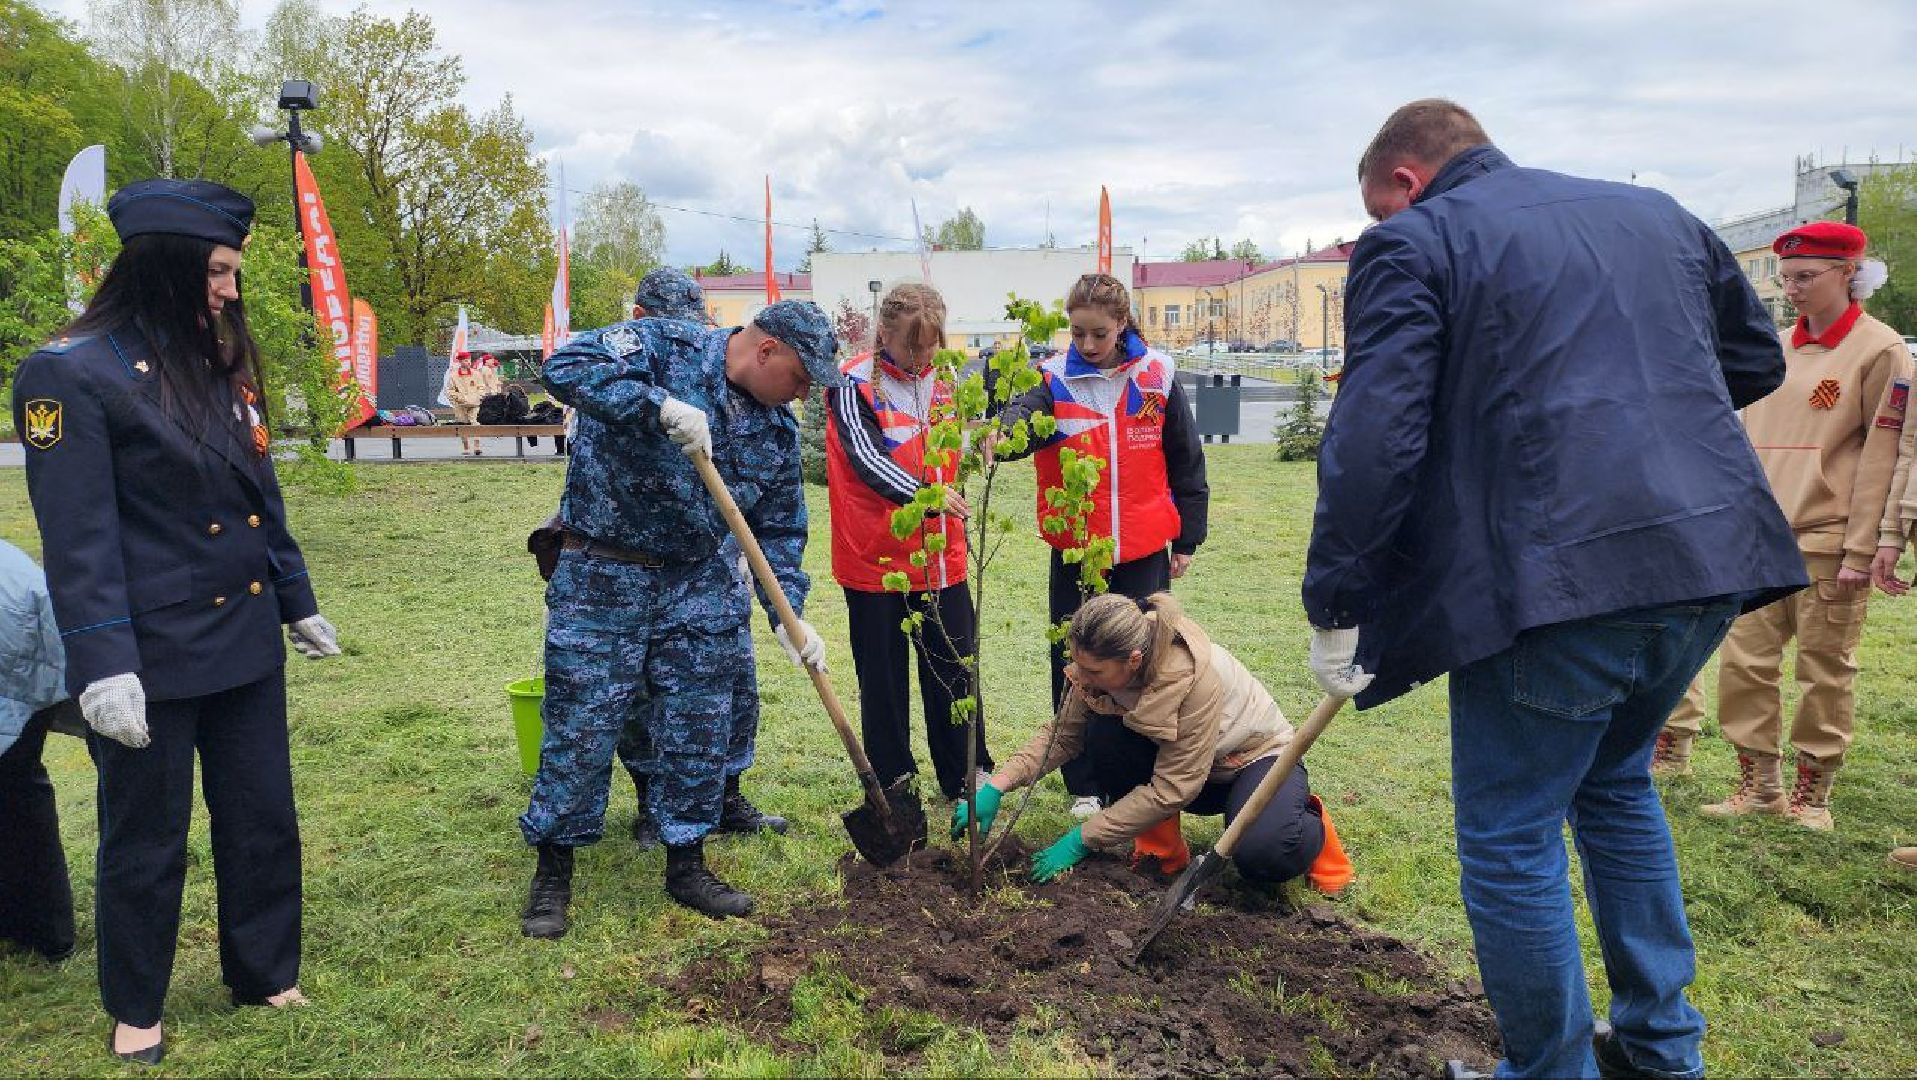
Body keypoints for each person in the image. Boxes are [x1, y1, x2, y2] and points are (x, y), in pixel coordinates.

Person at [1303, 100, 1806, 1079]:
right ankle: (1661, 1050)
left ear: (1404, 181)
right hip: (1706, 565)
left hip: (1562, 589)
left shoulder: (1415, 244)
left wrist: (1337, 603)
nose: (1377, 227)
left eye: (1376, 207)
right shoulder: (1655, 215)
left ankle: (1551, 1072)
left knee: (1508, 838)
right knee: (1615, 786)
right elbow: (1753, 359)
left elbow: (1372, 444)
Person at [12, 178, 344, 1065]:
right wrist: (101, 663)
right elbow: (77, 538)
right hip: (147, 651)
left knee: (261, 816)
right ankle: (136, 1004)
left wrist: (295, 596)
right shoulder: (69, 372)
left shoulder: (217, 359)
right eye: (219, 272)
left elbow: (257, 497)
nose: (230, 290)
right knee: (147, 836)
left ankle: (263, 970)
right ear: (165, 266)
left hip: (240, 635)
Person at [519, 299, 839, 933]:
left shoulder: (774, 432)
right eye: (801, 377)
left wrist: (787, 617)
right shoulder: (663, 344)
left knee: (699, 723)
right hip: (604, 570)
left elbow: (778, 529)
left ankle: (687, 863)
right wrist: (655, 405)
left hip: (698, 580)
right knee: (581, 725)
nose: (803, 395)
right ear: (767, 348)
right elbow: (565, 366)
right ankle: (553, 872)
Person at [1672, 223, 1910, 828]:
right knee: (1745, 663)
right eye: (1786, 278)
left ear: (1848, 274)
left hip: (1830, 540)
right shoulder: (1774, 346)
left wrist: (1866, 547)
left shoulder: (1880, 350)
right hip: (1759, 539)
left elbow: (1887, 454)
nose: (1793, 289)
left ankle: (1813, 793)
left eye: (1806, 277)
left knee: (1825, 670)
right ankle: (1758, 783)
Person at [955, 591, 1352, 892]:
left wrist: (1083, 837)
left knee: (1261, 856)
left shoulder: (1194, 679)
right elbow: (1064, 735)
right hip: (1191, 767)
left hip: (1252, 761)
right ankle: (1161, 851)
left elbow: (1176, 787)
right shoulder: (1101, 669)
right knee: (1105, 737)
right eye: (1078, 663)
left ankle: (1306, 822)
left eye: (1092, 670)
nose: (1082, 676)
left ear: (1131, 659)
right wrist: (998, 785)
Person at [994, 272, 1208, 818]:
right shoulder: (1055, 380)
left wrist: (1187, 537)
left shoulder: (1157, 378)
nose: (1087, 345)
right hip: (1075, 553)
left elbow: (1185, 459)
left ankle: (1135, 773)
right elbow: (1024, 421)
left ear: (1121, 326)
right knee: (1077, 664)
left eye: (1098, 334)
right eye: (1078, 333)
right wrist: (1002, 431)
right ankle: (1084, 781)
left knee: (1144, 665)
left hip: (1140, 551)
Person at [608, 267, 783, 850]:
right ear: (640, 321)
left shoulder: (722, 386)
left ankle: (726, 791)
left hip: (716, 565)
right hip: (634, 565)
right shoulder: (624, 380)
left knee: (731, 680)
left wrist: (786, 607)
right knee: (641, 692)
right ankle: (650, 802)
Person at [825, 282, 992, 802]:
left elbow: (963, 437)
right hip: (874, 559)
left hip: (942, 558)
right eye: (910, 348)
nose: (922, 358)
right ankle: (894, 778)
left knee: (954, 669)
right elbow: (868, 461)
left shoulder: (948, 379)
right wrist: (927, 496)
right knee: (883, 679)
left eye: (931, 346)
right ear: (883, 334)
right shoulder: (851, 383)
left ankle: (967, 772)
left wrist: (984, 430)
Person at [0, 540, 77, 966]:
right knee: (20, 789)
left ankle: (44, 927)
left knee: (17, 788)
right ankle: (45, 927)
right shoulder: (15, 568)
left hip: (19, 654)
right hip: (28, 649)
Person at [445, 350, 488, 455]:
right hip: (460, 404)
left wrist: (479, 396)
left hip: (474, 404)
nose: (468, 362)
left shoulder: (476, 374)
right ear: (460, 362)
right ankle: (466, 446)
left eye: (469, 360)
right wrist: (459, 397)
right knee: (463, 425)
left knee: (475, 422)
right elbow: (450, 391)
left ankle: (477, 446)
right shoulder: (454, 376)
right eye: (465, 360)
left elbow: (482, 387)